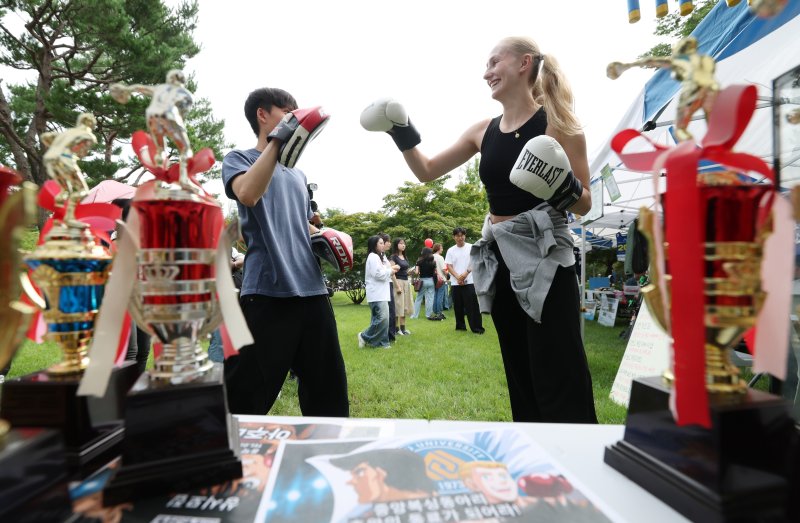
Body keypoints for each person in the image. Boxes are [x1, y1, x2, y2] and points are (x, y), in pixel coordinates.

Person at [360, 36, 597, 423]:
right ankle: (533, 464)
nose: (486, 72)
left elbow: (585, 203)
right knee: (519, 370)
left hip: (547, 259)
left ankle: (578, 462)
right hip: (500, 259)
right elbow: (427, 171)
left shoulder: (559, 126)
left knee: (560, 370)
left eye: (493, 62)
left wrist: (560, 183)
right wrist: (399, 129)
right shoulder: (482, 131)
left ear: (524, 63)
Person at [220, 87, 348, 417]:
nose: (295, 118)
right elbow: (247, 194)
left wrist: (327, 238)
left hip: (313, 292)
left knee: (328, 393)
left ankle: (328, 458)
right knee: (245, 395)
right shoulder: (240, 159)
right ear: (263, 115)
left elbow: (303, 225)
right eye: (287, 112)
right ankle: (227, 459)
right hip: (267, 292)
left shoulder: (298, 174)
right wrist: (279, 141)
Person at [41, 112, 96, 227]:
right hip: (66, 160)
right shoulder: (87, 134)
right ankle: (69, 218)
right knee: (82, 191)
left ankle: (58, 219)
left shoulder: (67, 132)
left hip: (51, 160)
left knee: (64, 191)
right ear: (90, 123)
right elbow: (82, 153)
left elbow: (45, 137)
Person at [359, 235, 398, 349]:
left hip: (381, 293)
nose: (383, 245)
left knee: (382, 319)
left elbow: (381, 272)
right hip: (377, 293)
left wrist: (390, 270)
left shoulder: (378, 257)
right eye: (380, 243)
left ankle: (381, 342)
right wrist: (391, 270)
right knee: (382, 319)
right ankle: (364, 336)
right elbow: (378, 274)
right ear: (374, 245)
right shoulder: (373, 257)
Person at [207, 246, 245, 363]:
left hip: (233, 300)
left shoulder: (229, 248)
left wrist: (233, 265)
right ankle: (215, 376)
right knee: (218, 340)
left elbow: (243, 258)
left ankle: (224, 373)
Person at [445, 228, 484, 333]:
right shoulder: (450, 250)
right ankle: (460, 327)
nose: (460, 238)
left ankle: (477, 328)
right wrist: (458, 277)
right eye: (457, 236)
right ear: (454, 237)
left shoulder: (471, 247)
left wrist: (466, 273)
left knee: (473, 307)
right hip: (455, 283)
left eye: (462, 235)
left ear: (465, 236)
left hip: (470, 281)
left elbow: (475, 261)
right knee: (458, 306)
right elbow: (449, 265)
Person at [390, 238, 413, 335]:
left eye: (404, 244)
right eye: (401, 243)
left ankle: (403, 329)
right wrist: (397, 286)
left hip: (406, 282)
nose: (403, 245)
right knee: (397, 306)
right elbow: (391, 272)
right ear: (396, 245)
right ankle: (395, 329)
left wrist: (409, 272)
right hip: (397, 282)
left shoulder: (405, 256)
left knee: (405, 306)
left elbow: (404, 271)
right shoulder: (393, 257)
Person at [410, 247, 438, 320]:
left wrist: (411, 272)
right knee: (430, 298)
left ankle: (415, 315)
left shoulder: (419, 261)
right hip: (431, 281)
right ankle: (428, 315)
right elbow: (435, 272)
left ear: (423, 252)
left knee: (418, 298)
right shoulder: (433, 262)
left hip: (422, 281)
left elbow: (416, 272)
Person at [379, 232, 397, 342]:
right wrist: (393, 268)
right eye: (387, 242)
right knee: (388, 312)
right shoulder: (377, 256)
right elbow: (383, 272)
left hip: (388, 283)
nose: (389, 244)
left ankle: (391, 334)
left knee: (391, 311)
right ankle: (388, 335)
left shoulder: (384, 255)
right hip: (384, 285)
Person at [431, 242, 448, 320]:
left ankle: (435, 311)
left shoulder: (430, 257)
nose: (442, 249)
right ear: (438, 248)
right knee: (440, 296)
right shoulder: (440, 257)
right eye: (441, 248)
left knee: (435, 296)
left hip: (433, 279)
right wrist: (448, 275)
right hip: (441, 279)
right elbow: (444, 269)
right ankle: (439, 312)